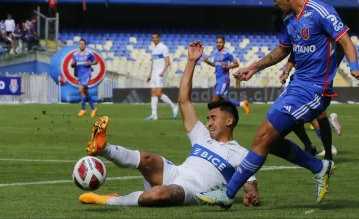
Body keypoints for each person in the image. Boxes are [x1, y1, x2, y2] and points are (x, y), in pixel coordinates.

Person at [195, 0, 359, 208]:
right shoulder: (290, 21)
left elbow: (345, 39)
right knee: (271, 142)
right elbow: (283, 51)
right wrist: (254, 67)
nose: (275, 3)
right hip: (295, 87)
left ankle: (228, 193)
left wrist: (355, 66)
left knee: (262, 137)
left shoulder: (320, 11)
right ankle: (319, 167)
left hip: (314, 89)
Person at [79, 41, 260, 207]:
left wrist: (251, 195)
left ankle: (109, 200)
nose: (208, 122)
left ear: (229, 120)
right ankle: (103, 148)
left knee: (158, 195)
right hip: (176, 172)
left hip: (193, 189)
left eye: (213, 118)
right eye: (208, 118)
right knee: (147, 159)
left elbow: (250, 182)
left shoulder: (241, 153)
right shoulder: (202, 136)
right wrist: (191, 61)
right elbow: (184, 101)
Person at [281, 51, 343, 160]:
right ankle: (311, 146)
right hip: (299, 75)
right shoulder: (299, 40)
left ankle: (326, 149)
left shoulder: (320, 40)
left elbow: (341, 48)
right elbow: (293, 55)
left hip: (313, 76)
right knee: (296, 115)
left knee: (314, 114)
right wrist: (286, 72)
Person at [203, 36, 250, 115]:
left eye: (220, 42)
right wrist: (208, 62)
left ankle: (212, 118)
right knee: (223, 100)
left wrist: (227, 67)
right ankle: (242, 104)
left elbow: (236, 64)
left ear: (224, 43)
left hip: (224, 80)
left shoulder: (227, 53)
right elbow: (216, 65)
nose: (219, 44)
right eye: (217, 42)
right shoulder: (215, 53)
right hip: (218, 79)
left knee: (214, 100)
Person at [145, 33, 179, 120]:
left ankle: (174, 107)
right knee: (153, 92)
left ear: (159, 38)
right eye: (153, 37)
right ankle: (154, 115)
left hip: (160, 72)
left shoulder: (163, 47)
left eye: (156, 37)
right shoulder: (154, 49)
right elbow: (153, 63)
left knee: (158, 93)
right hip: (154, 73)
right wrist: (150, 74)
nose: (154, 39)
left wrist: (163, 71)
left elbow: (168, 61)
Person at [72, 39, 98, 117]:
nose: (82, 45)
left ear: (85, 45)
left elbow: (96, 61)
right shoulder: (75, 54)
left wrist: (89, 62)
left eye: (83, 44)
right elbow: (73, 64)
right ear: (79, 45)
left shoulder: (89, 53)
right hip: (79, 75)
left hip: (86, 74)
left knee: (80, 90)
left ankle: (83, 110)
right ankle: (94, 109)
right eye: (80, 44)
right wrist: (73, 64)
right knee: (85, 93)